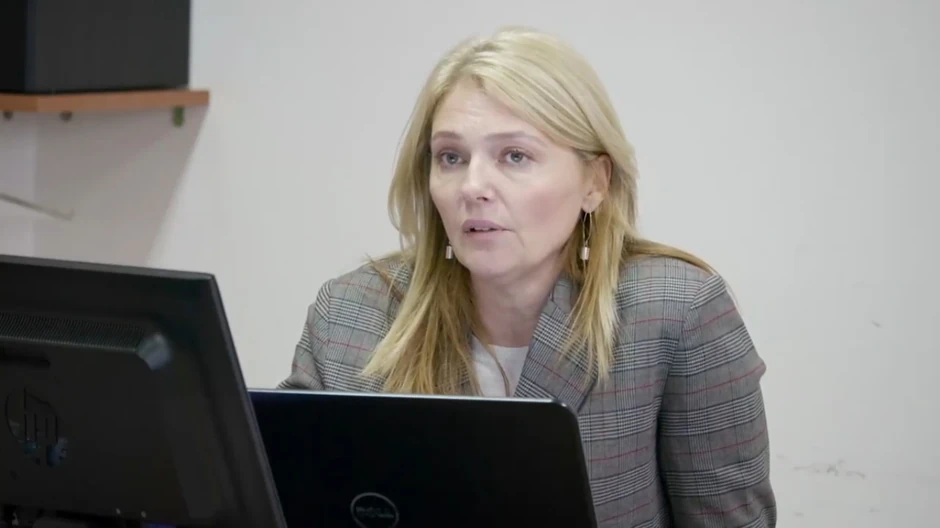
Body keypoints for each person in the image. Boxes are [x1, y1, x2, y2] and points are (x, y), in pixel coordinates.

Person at [279, 26, 776, 527]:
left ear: (595, 182)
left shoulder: (677, 313)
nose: (472, 186)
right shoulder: (350, 316)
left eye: (514, 156)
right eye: (451, 157)